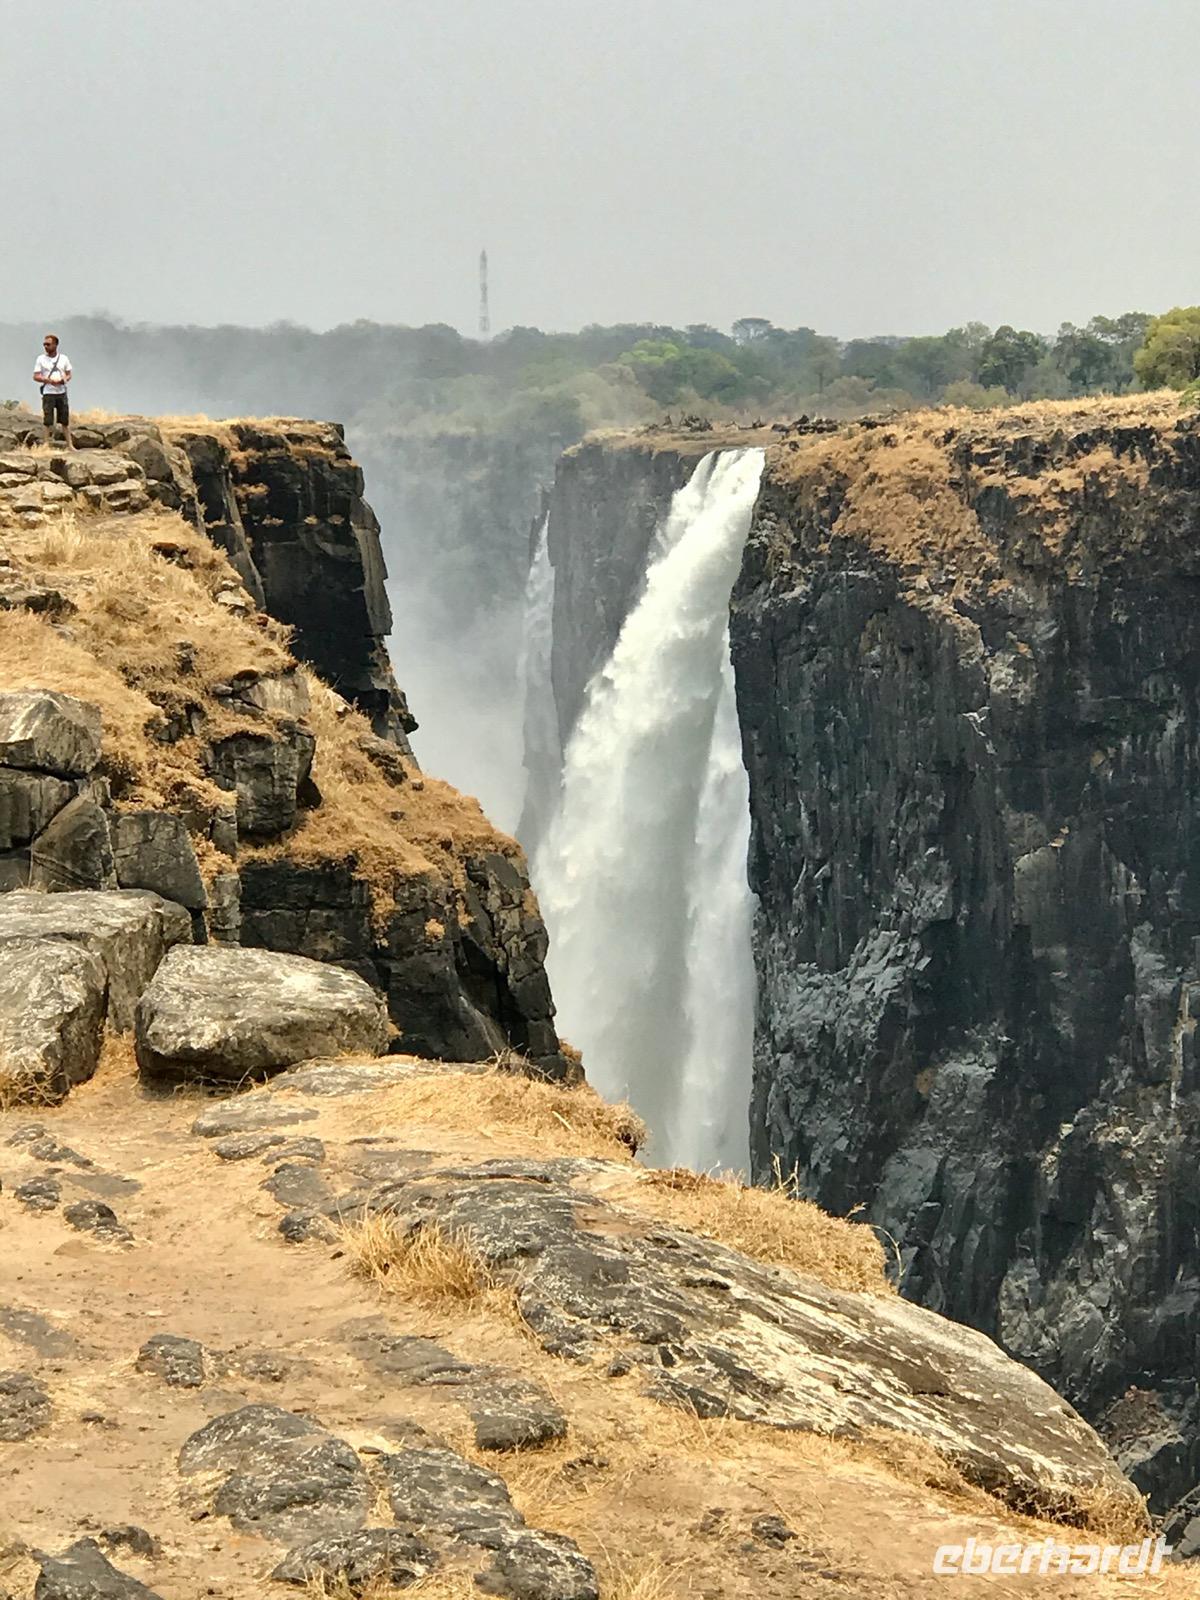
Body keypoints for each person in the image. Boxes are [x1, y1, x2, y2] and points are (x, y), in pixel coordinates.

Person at [32, 333, 73, 448]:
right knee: (47, 420)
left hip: (61, 392)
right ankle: (46, 445)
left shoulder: (64, 358)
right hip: (48, 392)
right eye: (44, 344)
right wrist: (48, 380)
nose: (46, 346)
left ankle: (70, 445)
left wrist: (64, 380)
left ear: (55, 345)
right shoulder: (40, 359)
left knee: (64, 420)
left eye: (48, 344)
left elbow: (69, 374)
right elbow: (35, 376)